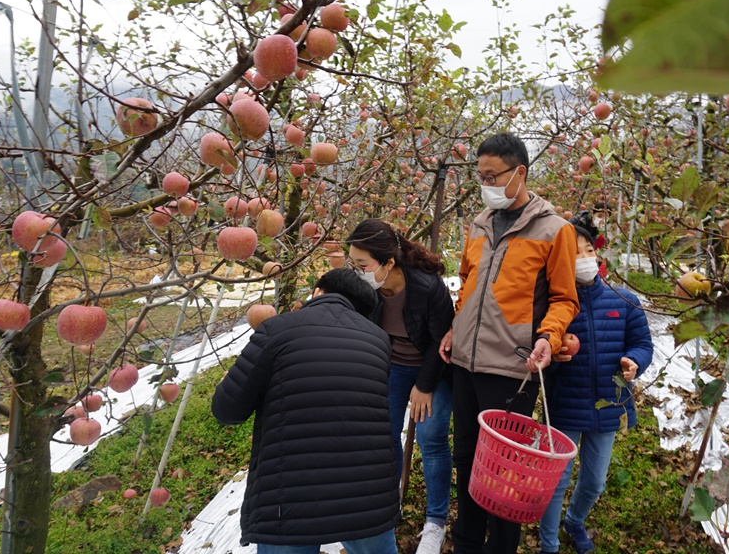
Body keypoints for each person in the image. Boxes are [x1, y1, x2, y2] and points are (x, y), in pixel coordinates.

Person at [438, 132, 581, 554]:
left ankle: (501, 547)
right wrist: (454, 326)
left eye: (491, 176)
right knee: (466, 457)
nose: (485, 184)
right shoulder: (479, 224)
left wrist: (548, 338)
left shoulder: (555, 230)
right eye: (479, 176)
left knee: (505, 470)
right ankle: (466, 542)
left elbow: (564, 298)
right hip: (464, 363)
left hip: (511, 369)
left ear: (519, 172)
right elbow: (467, 284)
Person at [211, 268, 400, 554]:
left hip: (288, 503)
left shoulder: (277, 329)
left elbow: (228, 410)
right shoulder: (378, 341)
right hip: (367, 500)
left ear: (318, 292)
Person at [538, 214, 654, 554]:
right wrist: (554, 359)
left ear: (597, 255)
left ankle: (575, 520)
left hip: (609, 403)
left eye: (587, 251)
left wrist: (635, 362)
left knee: (595, 480)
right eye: (573, 254)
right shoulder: (552, 306)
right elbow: (538, 354)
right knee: (555, 482)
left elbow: (643, 344)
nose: (582, 259)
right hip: (564, 406)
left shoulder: (624, 300)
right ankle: (549, 545)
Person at [345, 219, 455, 554]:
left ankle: (436, 521)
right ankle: (384, 508)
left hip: (434, 367)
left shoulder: (426, 287)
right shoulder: (364, 286)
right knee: (384, 436)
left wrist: (423, 386)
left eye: (362, 265)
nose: (357, 270)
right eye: (353, 263)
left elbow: (441, 340)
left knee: (430, 436)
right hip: (392, 366)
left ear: (389, 262)